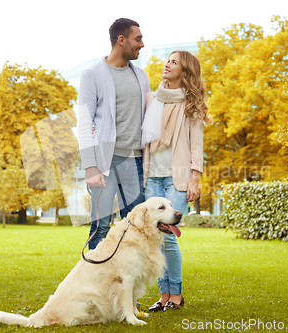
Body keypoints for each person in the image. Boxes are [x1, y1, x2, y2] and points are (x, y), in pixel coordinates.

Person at [142, 50, 212, 311]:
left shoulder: (191, 104)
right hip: (152, 177)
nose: (167, 65)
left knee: (169, 237)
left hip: (177, 178)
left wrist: (195, 178)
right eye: (167, 61)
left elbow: (197, 145)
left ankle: (177, 294)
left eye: (174, 62)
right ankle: (163, 296)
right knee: (156, 237)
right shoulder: (152, 99)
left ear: (185, 71)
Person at [77, 18, 151, 250]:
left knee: (136, 227)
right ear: (122, 40)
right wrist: (90, 166)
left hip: (135, 162)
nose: (142, 44)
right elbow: (84, 122)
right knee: (100, 227)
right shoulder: (93, 75)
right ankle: (94, 281)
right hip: (104, 164)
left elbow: (151, 116)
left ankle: (125, 281)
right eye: (138, 39)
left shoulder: (141, 76)